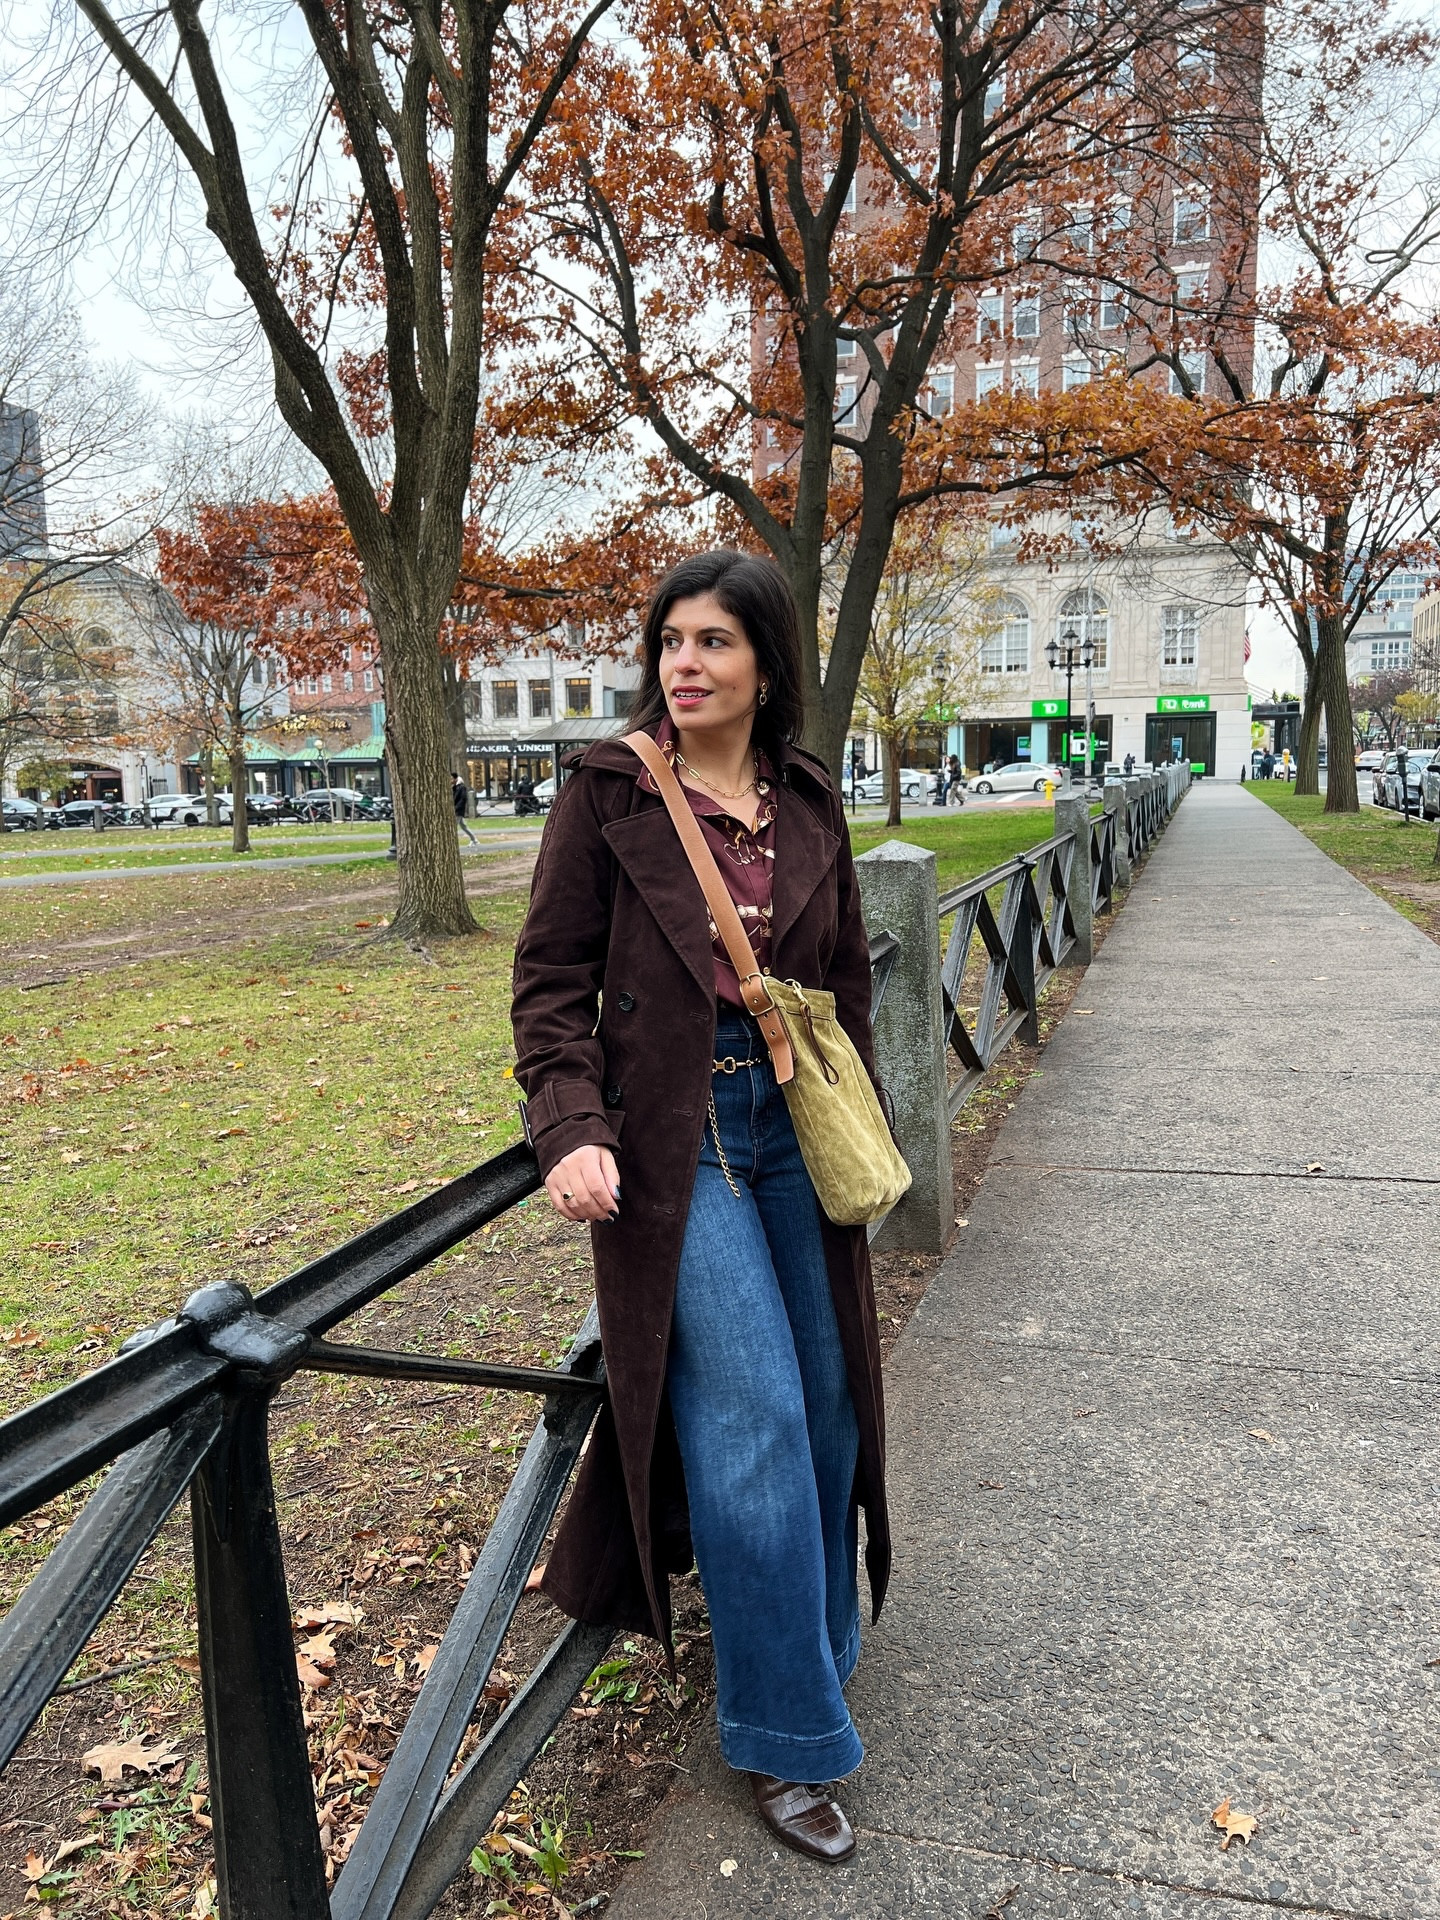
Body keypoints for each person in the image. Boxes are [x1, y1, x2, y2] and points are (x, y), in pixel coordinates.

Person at [511, 549, 891, 1864]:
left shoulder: (807, 799)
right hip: (682, 1150)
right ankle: (786, 1739)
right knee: (757, 1420)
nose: (685, 662)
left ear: (768, 666)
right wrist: (568, 1126)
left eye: (716, 641)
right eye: (671, 639)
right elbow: (550, 984)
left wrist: (863, 1134)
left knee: (835, 1400)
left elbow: (844, 982)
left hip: (796, 1133)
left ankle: (815, 1654)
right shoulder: (608, 792)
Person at [453, 771, 478, 845]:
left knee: (454, 826)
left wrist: (456, 807)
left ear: (455, 779)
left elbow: (463, 799)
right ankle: (474, 839)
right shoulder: (455, 787)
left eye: (451, 779)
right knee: (463, 826)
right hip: (457, 809)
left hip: (458, 810)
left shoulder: (461, 787)